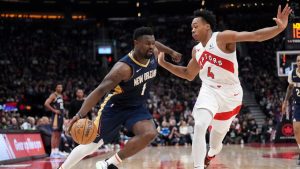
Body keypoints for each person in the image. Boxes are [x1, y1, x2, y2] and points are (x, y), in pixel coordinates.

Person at [157, 4, 292, 169]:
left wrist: (279, 28)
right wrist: (164, 64)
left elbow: (255, 35)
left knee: (215, 142)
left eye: (195, 26)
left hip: (231, 95)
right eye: (191, 27)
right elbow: (188, 73)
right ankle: (198, 166)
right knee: (199, 125)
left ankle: (212, 152)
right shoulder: (196, 50)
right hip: (209, 90)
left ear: (207, 27)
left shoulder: (222, 38)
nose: (192, 29)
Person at [58, 27, 181, 169]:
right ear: (136, 43)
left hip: (136, 107)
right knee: (90, 146)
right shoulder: (123, 68)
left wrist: (171, 52)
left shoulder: (152, 51)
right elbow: (99, 90)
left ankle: (109, 163)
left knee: (150, 133)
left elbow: (157, 45)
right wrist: (79, 115)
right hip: (115, 107)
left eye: (152, 43)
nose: (152, 46)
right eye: (147, 43)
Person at [282, 54, 300, 165]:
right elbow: (290, 88)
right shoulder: (292, 74)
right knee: (297, 130)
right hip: (297, 104)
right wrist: (285, 101)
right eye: (298, 60)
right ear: (296, 62)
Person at [44, 83, 66, 158]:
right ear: (55, 88)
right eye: (58, 87)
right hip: (56, 116)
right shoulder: (53, 95)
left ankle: (57, 151)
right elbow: (46, 103)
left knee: (59, 134)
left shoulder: (61, 96)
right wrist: (54, 110)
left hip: (61, 116)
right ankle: (52, 152)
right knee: (54, 134)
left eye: (61, 87)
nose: (60, 88)